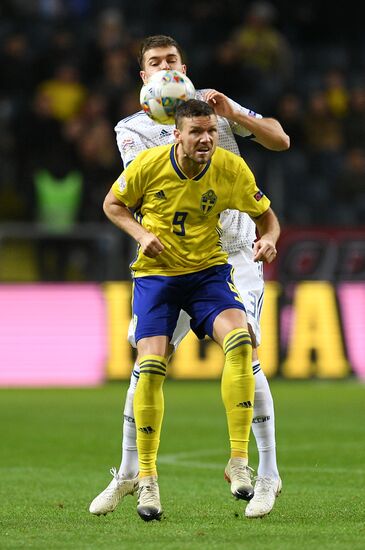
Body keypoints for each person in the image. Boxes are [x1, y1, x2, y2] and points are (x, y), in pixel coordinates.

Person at [89, 34, 289, 519]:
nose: (165, 67)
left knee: (248, 350)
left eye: (172, 59)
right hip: (172, 260)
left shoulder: (212, 105)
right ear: (144, 77)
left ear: (183, 65)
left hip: (233, 253)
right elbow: (143, 188)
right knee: (147, 365)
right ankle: (130, 472)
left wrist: (233, 117)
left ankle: (266, 473)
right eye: (155, 62)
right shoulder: (131, 129)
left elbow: (279, 139)